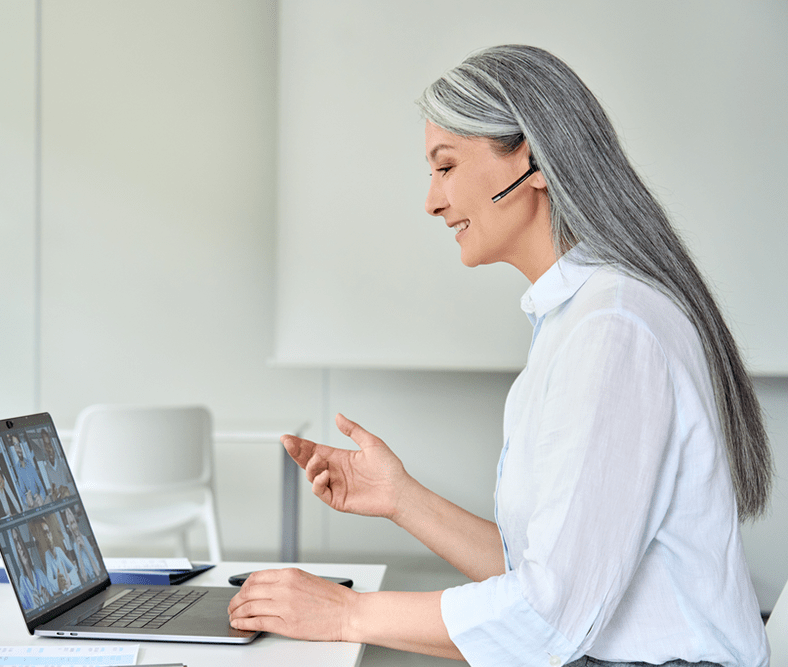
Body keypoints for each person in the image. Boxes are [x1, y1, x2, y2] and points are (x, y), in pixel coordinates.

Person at [228, 45, 773, 666]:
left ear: (532, 160)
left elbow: (547, 618)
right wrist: (401, 499)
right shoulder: (582, 319)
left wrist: (346, 614)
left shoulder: (614, 332)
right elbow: (550, 574)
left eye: (447, 166)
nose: (432, 200)